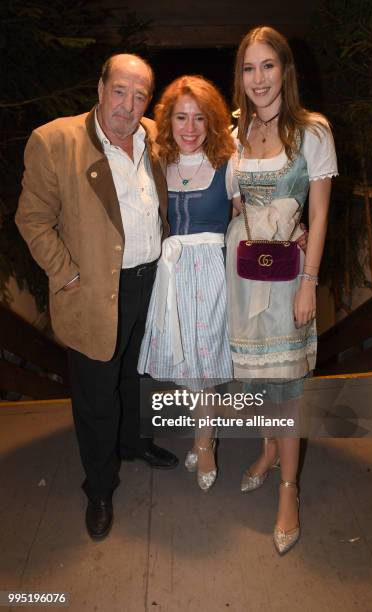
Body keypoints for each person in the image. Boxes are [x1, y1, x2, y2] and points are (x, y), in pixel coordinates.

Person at [16, 54, 178, 541]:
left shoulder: (154, 137)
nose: (129, 105)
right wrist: (66, 276)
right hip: (92, 291)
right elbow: (32, 219)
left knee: (138, 374)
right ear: (101, 86)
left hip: (150, 282)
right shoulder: (55, 140)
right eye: (120, 90)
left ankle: (135, 444)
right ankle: (101, 488)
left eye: (140, 94)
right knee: (96, 398)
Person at [226, 26, 338, 554]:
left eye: (268, 65)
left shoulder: (312, 132)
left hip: (291, 275)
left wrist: (309, 284)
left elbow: (318, 217)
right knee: (256, 381)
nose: (258, 78)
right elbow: (236, 204)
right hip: (246, 276)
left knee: (288, 387)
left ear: (285, 70)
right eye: (249, 68)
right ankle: (269, 451)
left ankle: (289, 489)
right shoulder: (237, 134)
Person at [138, 75, 238, 490]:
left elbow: (251, 215)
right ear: (168, 120)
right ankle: (205, 434)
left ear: (213, 121)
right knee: (189, 364)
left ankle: (206, 443)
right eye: (181, 117)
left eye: (200, 118)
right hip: (173, 273)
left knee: (206, 364)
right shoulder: (158, 162)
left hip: (214, 272)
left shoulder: (228, 163)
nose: (191, 128)